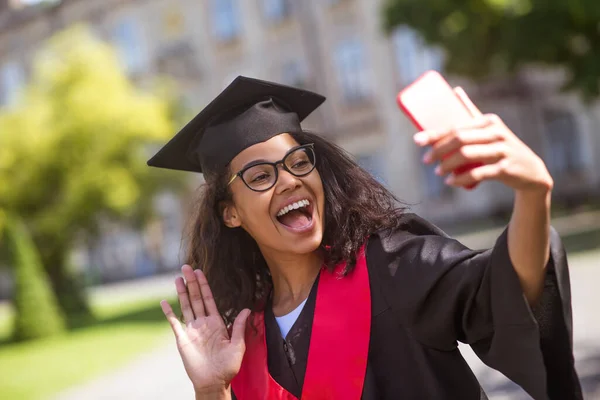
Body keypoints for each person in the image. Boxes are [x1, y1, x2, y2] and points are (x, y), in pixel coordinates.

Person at [148, 76, 582, 399]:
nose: (289, 182)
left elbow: (509, 289)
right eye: (260, 175)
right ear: (231, 213)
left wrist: (533, 192)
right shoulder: (247, 338)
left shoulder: (393, 268)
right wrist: (210, 390)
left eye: (299, 162)